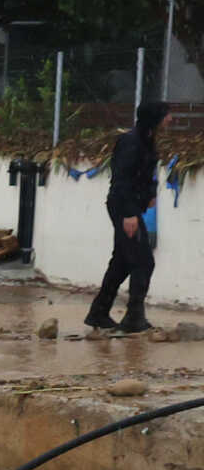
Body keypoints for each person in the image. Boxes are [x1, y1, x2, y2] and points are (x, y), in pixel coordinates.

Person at [88, 100, 168, 335]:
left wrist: (150, 195)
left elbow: (148, 173)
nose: (170, 120)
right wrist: (129, 214)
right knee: (144, 261)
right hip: (124, 208)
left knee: (122, 261)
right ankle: (134, 317)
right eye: (166, 115)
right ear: (155, 117)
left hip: (132, 207)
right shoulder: (131, 142)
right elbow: (121, 180)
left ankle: (99, 312)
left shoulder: (147, 138)